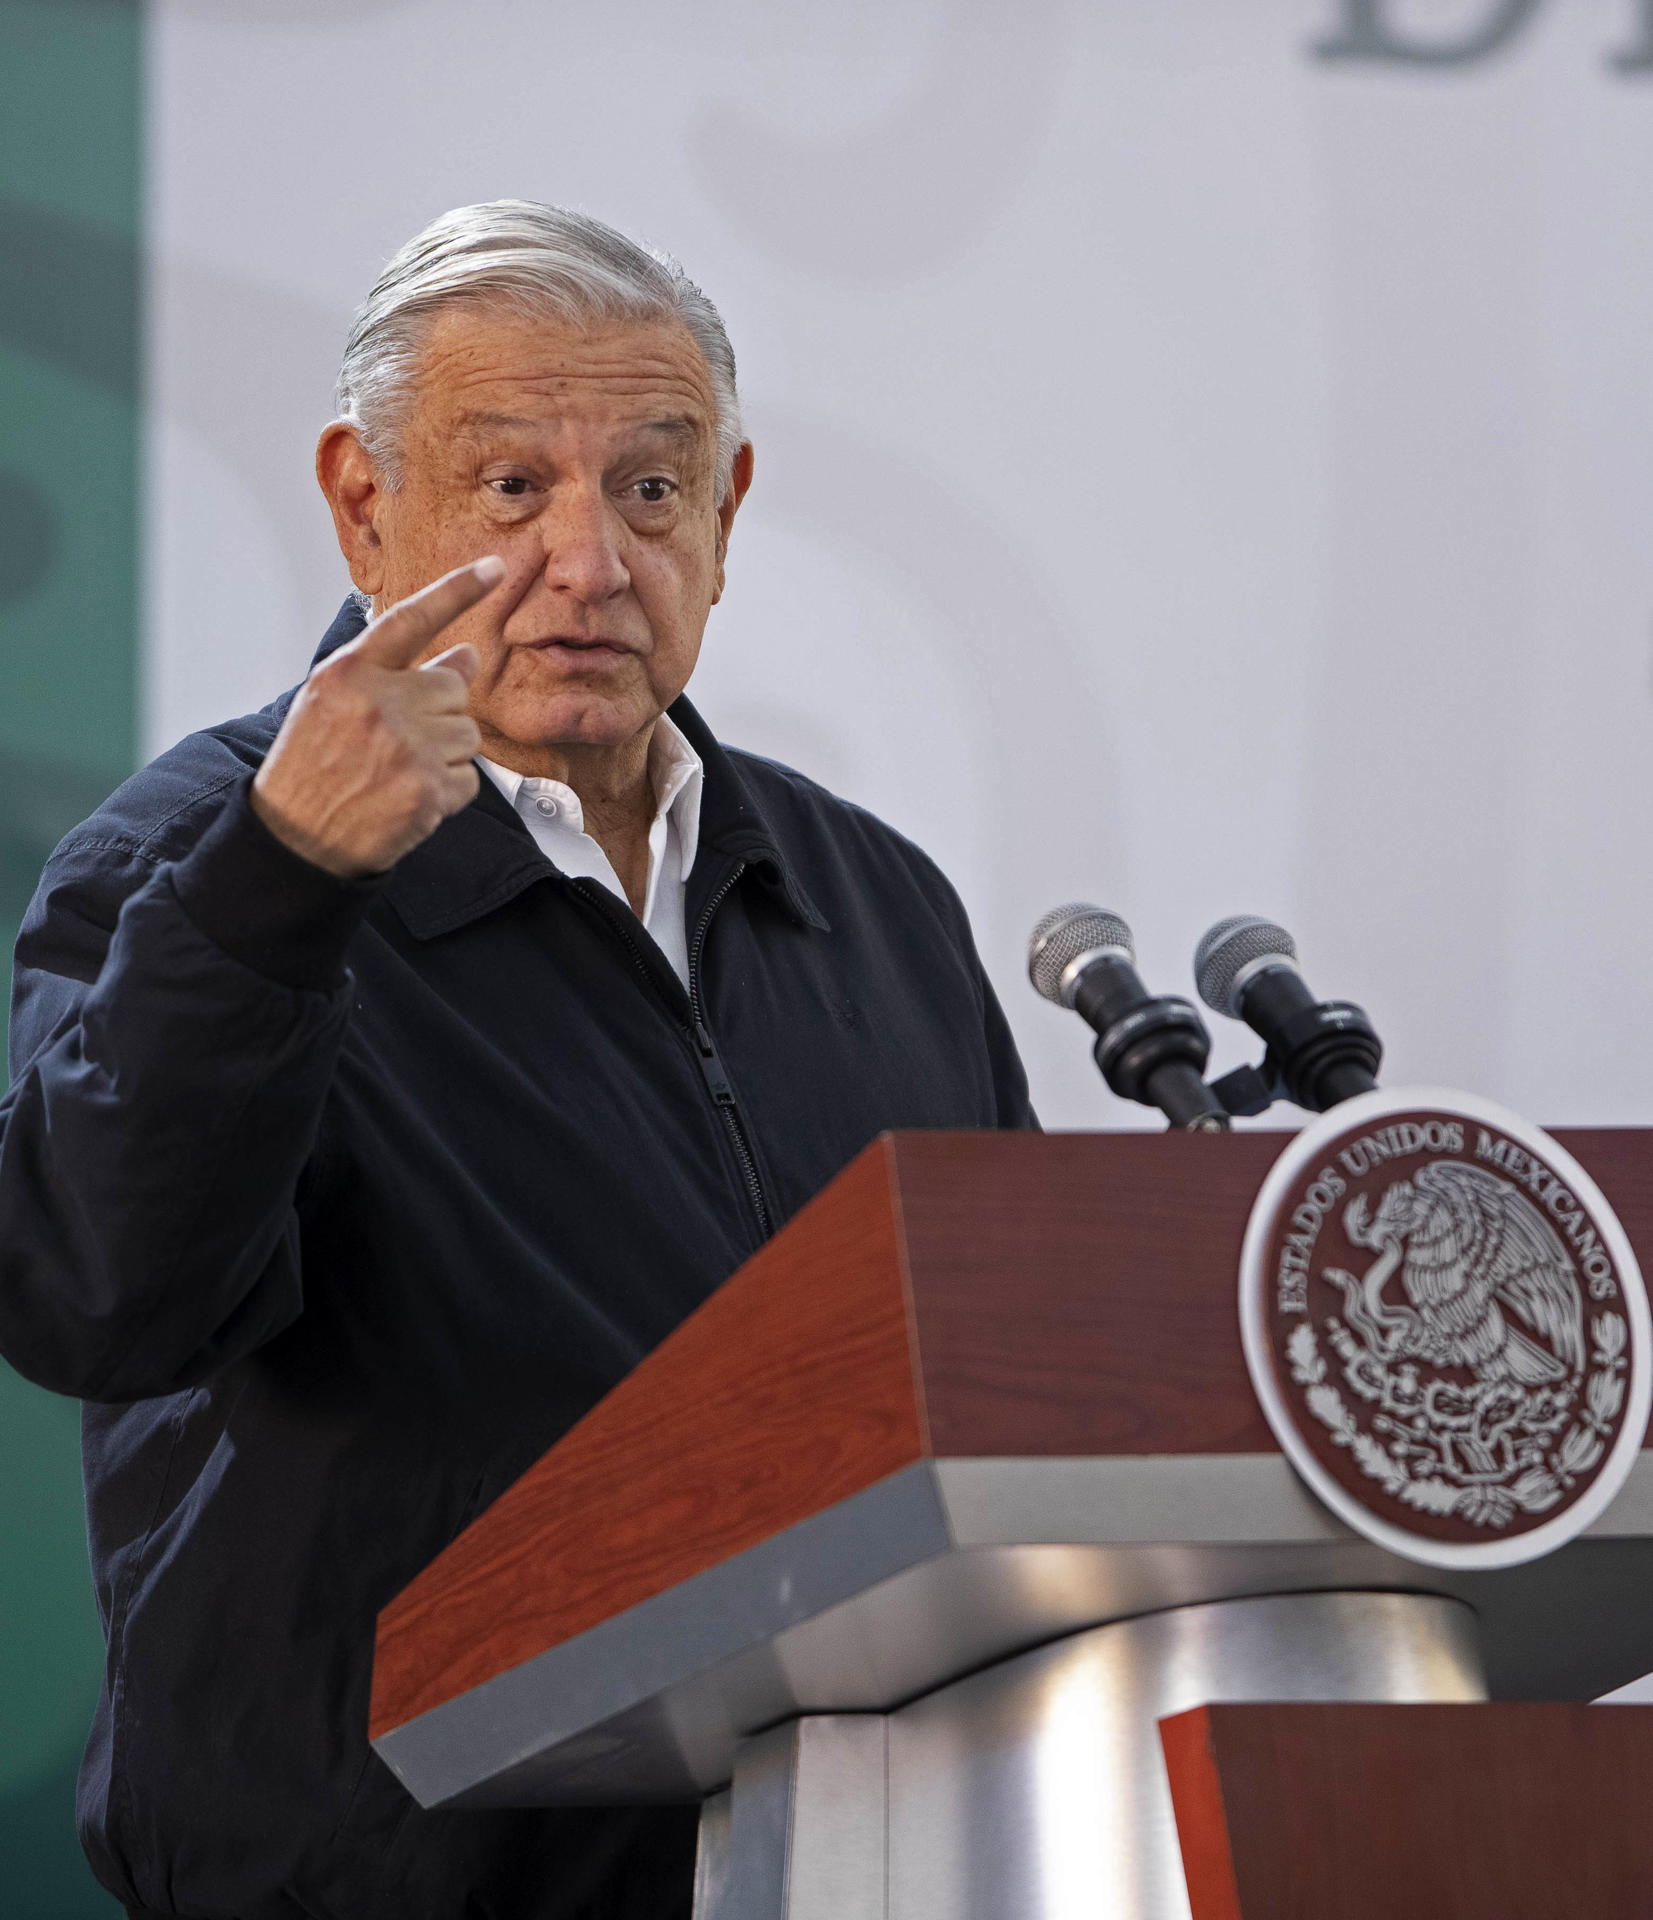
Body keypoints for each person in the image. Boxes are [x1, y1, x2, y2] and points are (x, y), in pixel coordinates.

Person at [0, 202, 1034, 1920]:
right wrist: (282, 885)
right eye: (509, 489)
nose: (592, 561)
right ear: (361, 499)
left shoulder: (870, 896)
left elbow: (1006, 1398)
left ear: (727, 512)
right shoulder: (196, 855)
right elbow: (95, 1297)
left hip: (856, 1869)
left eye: (648, 486)